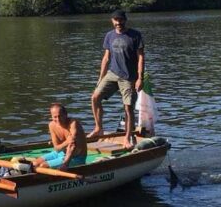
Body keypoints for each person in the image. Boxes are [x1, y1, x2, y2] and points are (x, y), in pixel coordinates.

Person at [90, 9, 145, 148]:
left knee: (128, 107)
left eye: (120, 20)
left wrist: (140, 78)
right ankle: (98, 128)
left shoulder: (135, 35)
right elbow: (106, 58)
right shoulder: (109, 35)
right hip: (112, 73)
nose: (118, 22)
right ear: (112, 21)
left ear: (125, 20)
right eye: (116, 20)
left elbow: (141, 57)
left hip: (128, 77)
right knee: (95, 97)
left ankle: (127, 138)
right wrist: (100, 78)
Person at [32, 103, 88, 170]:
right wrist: (67, 142)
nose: (58, 119)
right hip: (60, 153)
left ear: (65, 115)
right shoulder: (51, 125)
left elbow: (72, 146)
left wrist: (65, 164)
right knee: (34, 163)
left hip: (76, 158)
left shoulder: (73, 124)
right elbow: (57, 148)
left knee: (43, 166)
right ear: (51, 116)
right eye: (55, 117)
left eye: (60, 116)